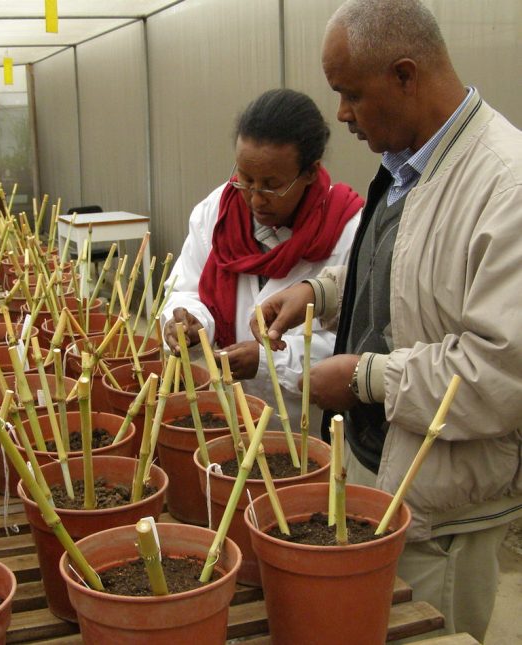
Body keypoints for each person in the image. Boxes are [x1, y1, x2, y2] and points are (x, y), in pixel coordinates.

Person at [251, 1, 522, 640]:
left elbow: (502, 370)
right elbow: (406, 265)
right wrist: (319, 292)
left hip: (444, 512)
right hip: (385, 469)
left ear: (406, 76)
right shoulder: (411, 164)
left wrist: (366, 378)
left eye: (350, 94)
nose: (341, 114)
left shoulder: (504, 186)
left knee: (430, 631)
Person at [161, 88, 363, 434]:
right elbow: (187, 286)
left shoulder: (347, 230)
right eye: (246, 179)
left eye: (272, 186)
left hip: (303, 425)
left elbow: (349, 344)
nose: (255, 199)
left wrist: (271, 363)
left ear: (311, 172)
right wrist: (192, 322)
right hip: (225, 414)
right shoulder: (217, 215)